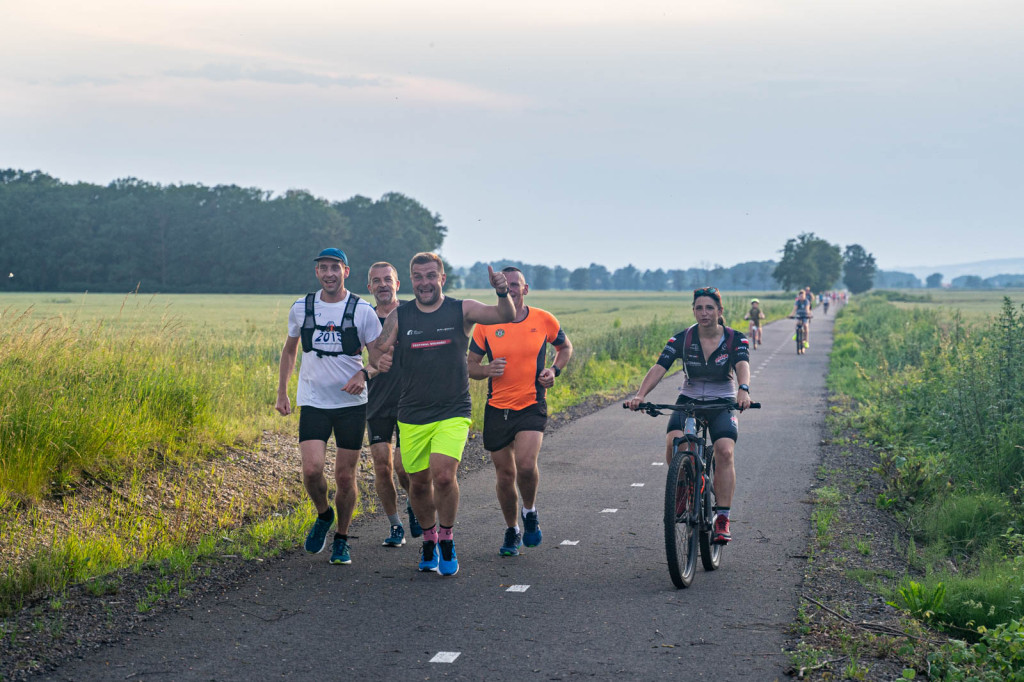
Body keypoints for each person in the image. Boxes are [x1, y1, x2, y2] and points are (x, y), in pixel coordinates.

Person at [369, 253, 514, 576]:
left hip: (453, 409)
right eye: (418, 277)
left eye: (431, 276)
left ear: (442, 278)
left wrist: (502, 291)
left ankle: (447, 539)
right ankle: (429, 539)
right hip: (412, 412)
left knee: (444, 476)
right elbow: (379, 346)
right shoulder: (400, 315)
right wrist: (381, 360)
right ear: (411, 281)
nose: (425, 283)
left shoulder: (461, 309)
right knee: (418, 484)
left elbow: (505, 314)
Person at [276, 248, 382, 566]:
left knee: (345, 478)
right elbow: (290, 350)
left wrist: (364, 374)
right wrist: (282, 392)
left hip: (351, 405)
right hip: (313, 401)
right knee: (311, 471)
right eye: (323, 268)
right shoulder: (302, 307)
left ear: (345, 271)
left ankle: (342, 538)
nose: (329, 273)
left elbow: (379, 359)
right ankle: (324, 515)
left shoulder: (362, 310)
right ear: (317, 273)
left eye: (335, 267)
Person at [626, 286, 751, 544]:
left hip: (722, 400)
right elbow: (660, 367)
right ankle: (682, 489)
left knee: (725, 451)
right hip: (690, 399)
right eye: (699, 308)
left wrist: (743, 390)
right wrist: (640, 395)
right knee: (675, 441)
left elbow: (742, 365)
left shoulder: (734, 338)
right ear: (693, 310)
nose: (704, 313)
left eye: (709, 308)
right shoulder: (682, 338)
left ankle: (723, 518)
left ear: (719, 310)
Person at [467, 267, 573, 557]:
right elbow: (470, 365)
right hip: (497, 407)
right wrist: (487, 370)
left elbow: (565, 348)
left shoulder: (543, 319)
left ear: (525, 289)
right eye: (505, 285)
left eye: (515, 284)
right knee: (504, 475)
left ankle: (530, 511)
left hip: (531, 403)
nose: (511, 289)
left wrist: (554, 370)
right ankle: (512, 529)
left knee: (525, 466)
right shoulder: (486, 324)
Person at [364, 261, 421, 547]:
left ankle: (415, 505)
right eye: (377, 280)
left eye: (388, 279)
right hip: (376, 403)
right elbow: (360, 361)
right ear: (370, 287)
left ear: (398, 284)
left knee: (403, 467)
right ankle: (395, 525)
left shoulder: (412, 313)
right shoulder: (366, 318)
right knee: (382, 467)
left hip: (410, 401)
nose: (383, 284)